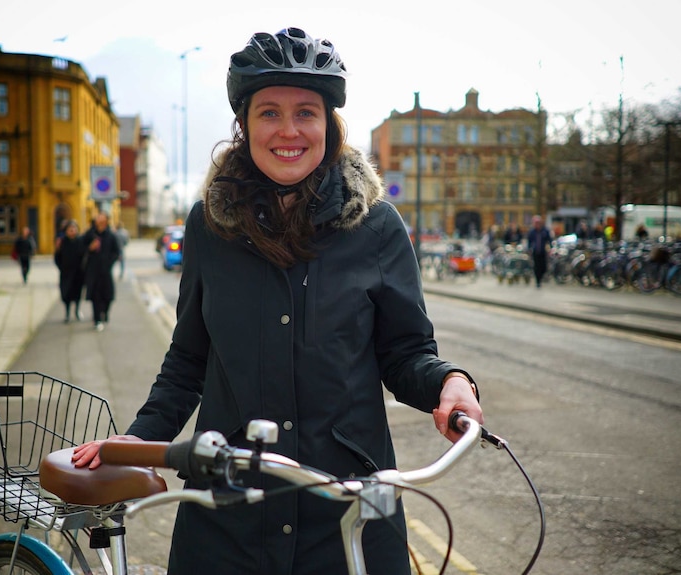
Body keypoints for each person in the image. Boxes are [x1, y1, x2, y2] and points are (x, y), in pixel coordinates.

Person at [72, 27, 483, 574]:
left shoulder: (377, 228)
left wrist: (449, 382)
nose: (288, 130)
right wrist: (139, 438)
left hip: (348, 512)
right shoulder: (207, 228)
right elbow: (189, 360)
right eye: (269, 112)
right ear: (243, 125)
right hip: (229, 514)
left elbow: (406, 354)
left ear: (328, 125)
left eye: (306, 113)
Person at [81, 211, 120, 331]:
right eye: (98, 219)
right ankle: (97, 319)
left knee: (107, 295)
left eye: (103, 220)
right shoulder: (89, 234)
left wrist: (109, 262)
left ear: (107, 221)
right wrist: (89, 248)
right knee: (95, 295)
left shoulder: (111, 235)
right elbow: (81, 248)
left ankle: (105, 312)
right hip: (93, 270)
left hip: (106, 271)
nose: (100, 222)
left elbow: (116, 252)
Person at [53, 219, 86, 323]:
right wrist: (61, 267)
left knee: (77, 293)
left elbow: (85, 256)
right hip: (66, 273)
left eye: (74, 229)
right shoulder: (62, 242)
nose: (72, 231)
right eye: (70, 229)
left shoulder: (80, 241)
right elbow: (57, 257)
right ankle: (67, 313)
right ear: (66, 231)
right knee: (66, 293)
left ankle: (76, 310)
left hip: (78, 273)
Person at [526, 214, 553, 288]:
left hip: (542, 251)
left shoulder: (545, 231)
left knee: (543, 266)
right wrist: (529, 249)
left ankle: (541, 276)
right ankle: (538, 281)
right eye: (535, 223)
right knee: (536, 266)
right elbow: (529, 241)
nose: (537, 224)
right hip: (535, 251)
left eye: (538, 223)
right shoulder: (532, 232)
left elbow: (549, 240)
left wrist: (551, 247)